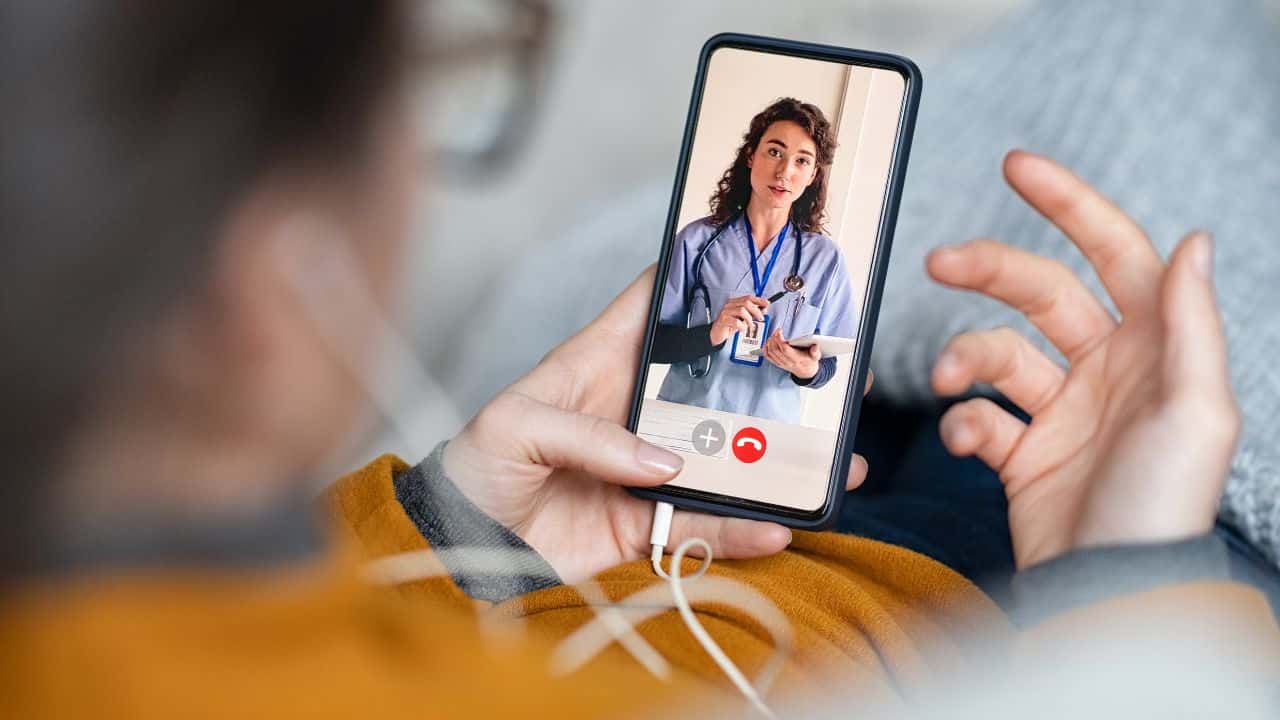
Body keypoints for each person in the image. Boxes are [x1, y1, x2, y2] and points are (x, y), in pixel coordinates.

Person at [2, 2, 1276, 717]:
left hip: (765, 524)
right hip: (1004, 612)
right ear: (263, 282)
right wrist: (1140, 587)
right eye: (431, 101)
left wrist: (443, 538)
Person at [649, 98, 858, 424]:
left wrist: (806, 368)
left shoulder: (824, 260)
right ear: (751, 155)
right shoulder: (697, 240)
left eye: (802, 161)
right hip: (685, 416)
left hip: (767, 430)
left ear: (813, 174)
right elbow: (652, 343)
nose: (785, 172)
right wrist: (712, 333)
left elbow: (827, 367)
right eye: (775, 152)